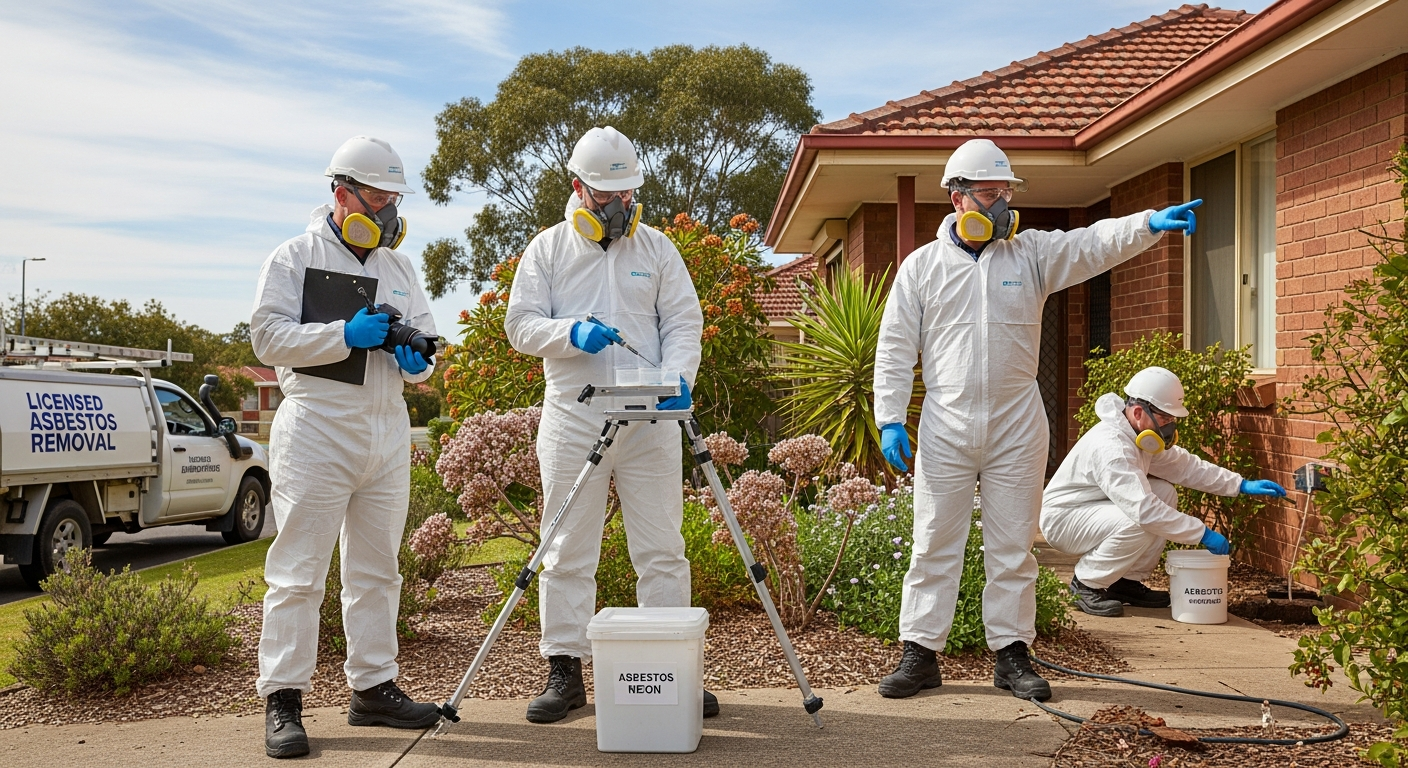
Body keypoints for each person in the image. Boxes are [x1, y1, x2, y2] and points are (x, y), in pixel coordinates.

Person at [872, 138, 1205, 702]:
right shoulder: (921, 268)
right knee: (933, 541)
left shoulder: (1030, 255)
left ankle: (1011, 655)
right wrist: (890, 416)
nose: (1003, 203)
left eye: (1007, 192)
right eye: (989, 192)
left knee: (1013, 544)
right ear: (957, 198)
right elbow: (895, 346)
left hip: (1016, 426)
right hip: (946, 425)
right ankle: (921, 654)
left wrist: (1148, 223)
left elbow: (1091, 243)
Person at [504, 126, 709, 724]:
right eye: (605, 194)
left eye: (627, 194)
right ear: (578, 189)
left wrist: (678, 379)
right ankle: (564, 671)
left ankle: (676, 671)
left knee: (664, 547)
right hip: (574, 416)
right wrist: (570, 333)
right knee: (567, 548)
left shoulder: (657, 249)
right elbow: (519, 327)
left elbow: (683, 322)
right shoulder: (546, 250)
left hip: (650, 421)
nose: (618, 206)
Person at [251, 136, 441, 759]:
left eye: (393, 199)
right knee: (298, 572)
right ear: (341, 193)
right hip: (317, 428)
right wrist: (343, 334)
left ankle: (373, 688)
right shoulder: (294, 256)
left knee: (377, 569)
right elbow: (267, 338)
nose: (387, 210)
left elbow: (427, 350)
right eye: (377, 196)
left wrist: (417, 363)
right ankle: (284, 700)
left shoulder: (400, 268)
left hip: (385, 430)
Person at [1040, 367, 1287, 617]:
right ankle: (1086, 584)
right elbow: (1144, 511)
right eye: (1166, 419)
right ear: (1138, 412)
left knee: (1164, 493)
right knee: (1142, 519)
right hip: (1064, 519)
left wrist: (1239, 484)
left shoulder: (1137, 435)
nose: (1169, 426)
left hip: (1093, 507)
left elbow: (1184, 466)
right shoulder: (1112, 448)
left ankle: (1123, 582)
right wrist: (1202, 533)